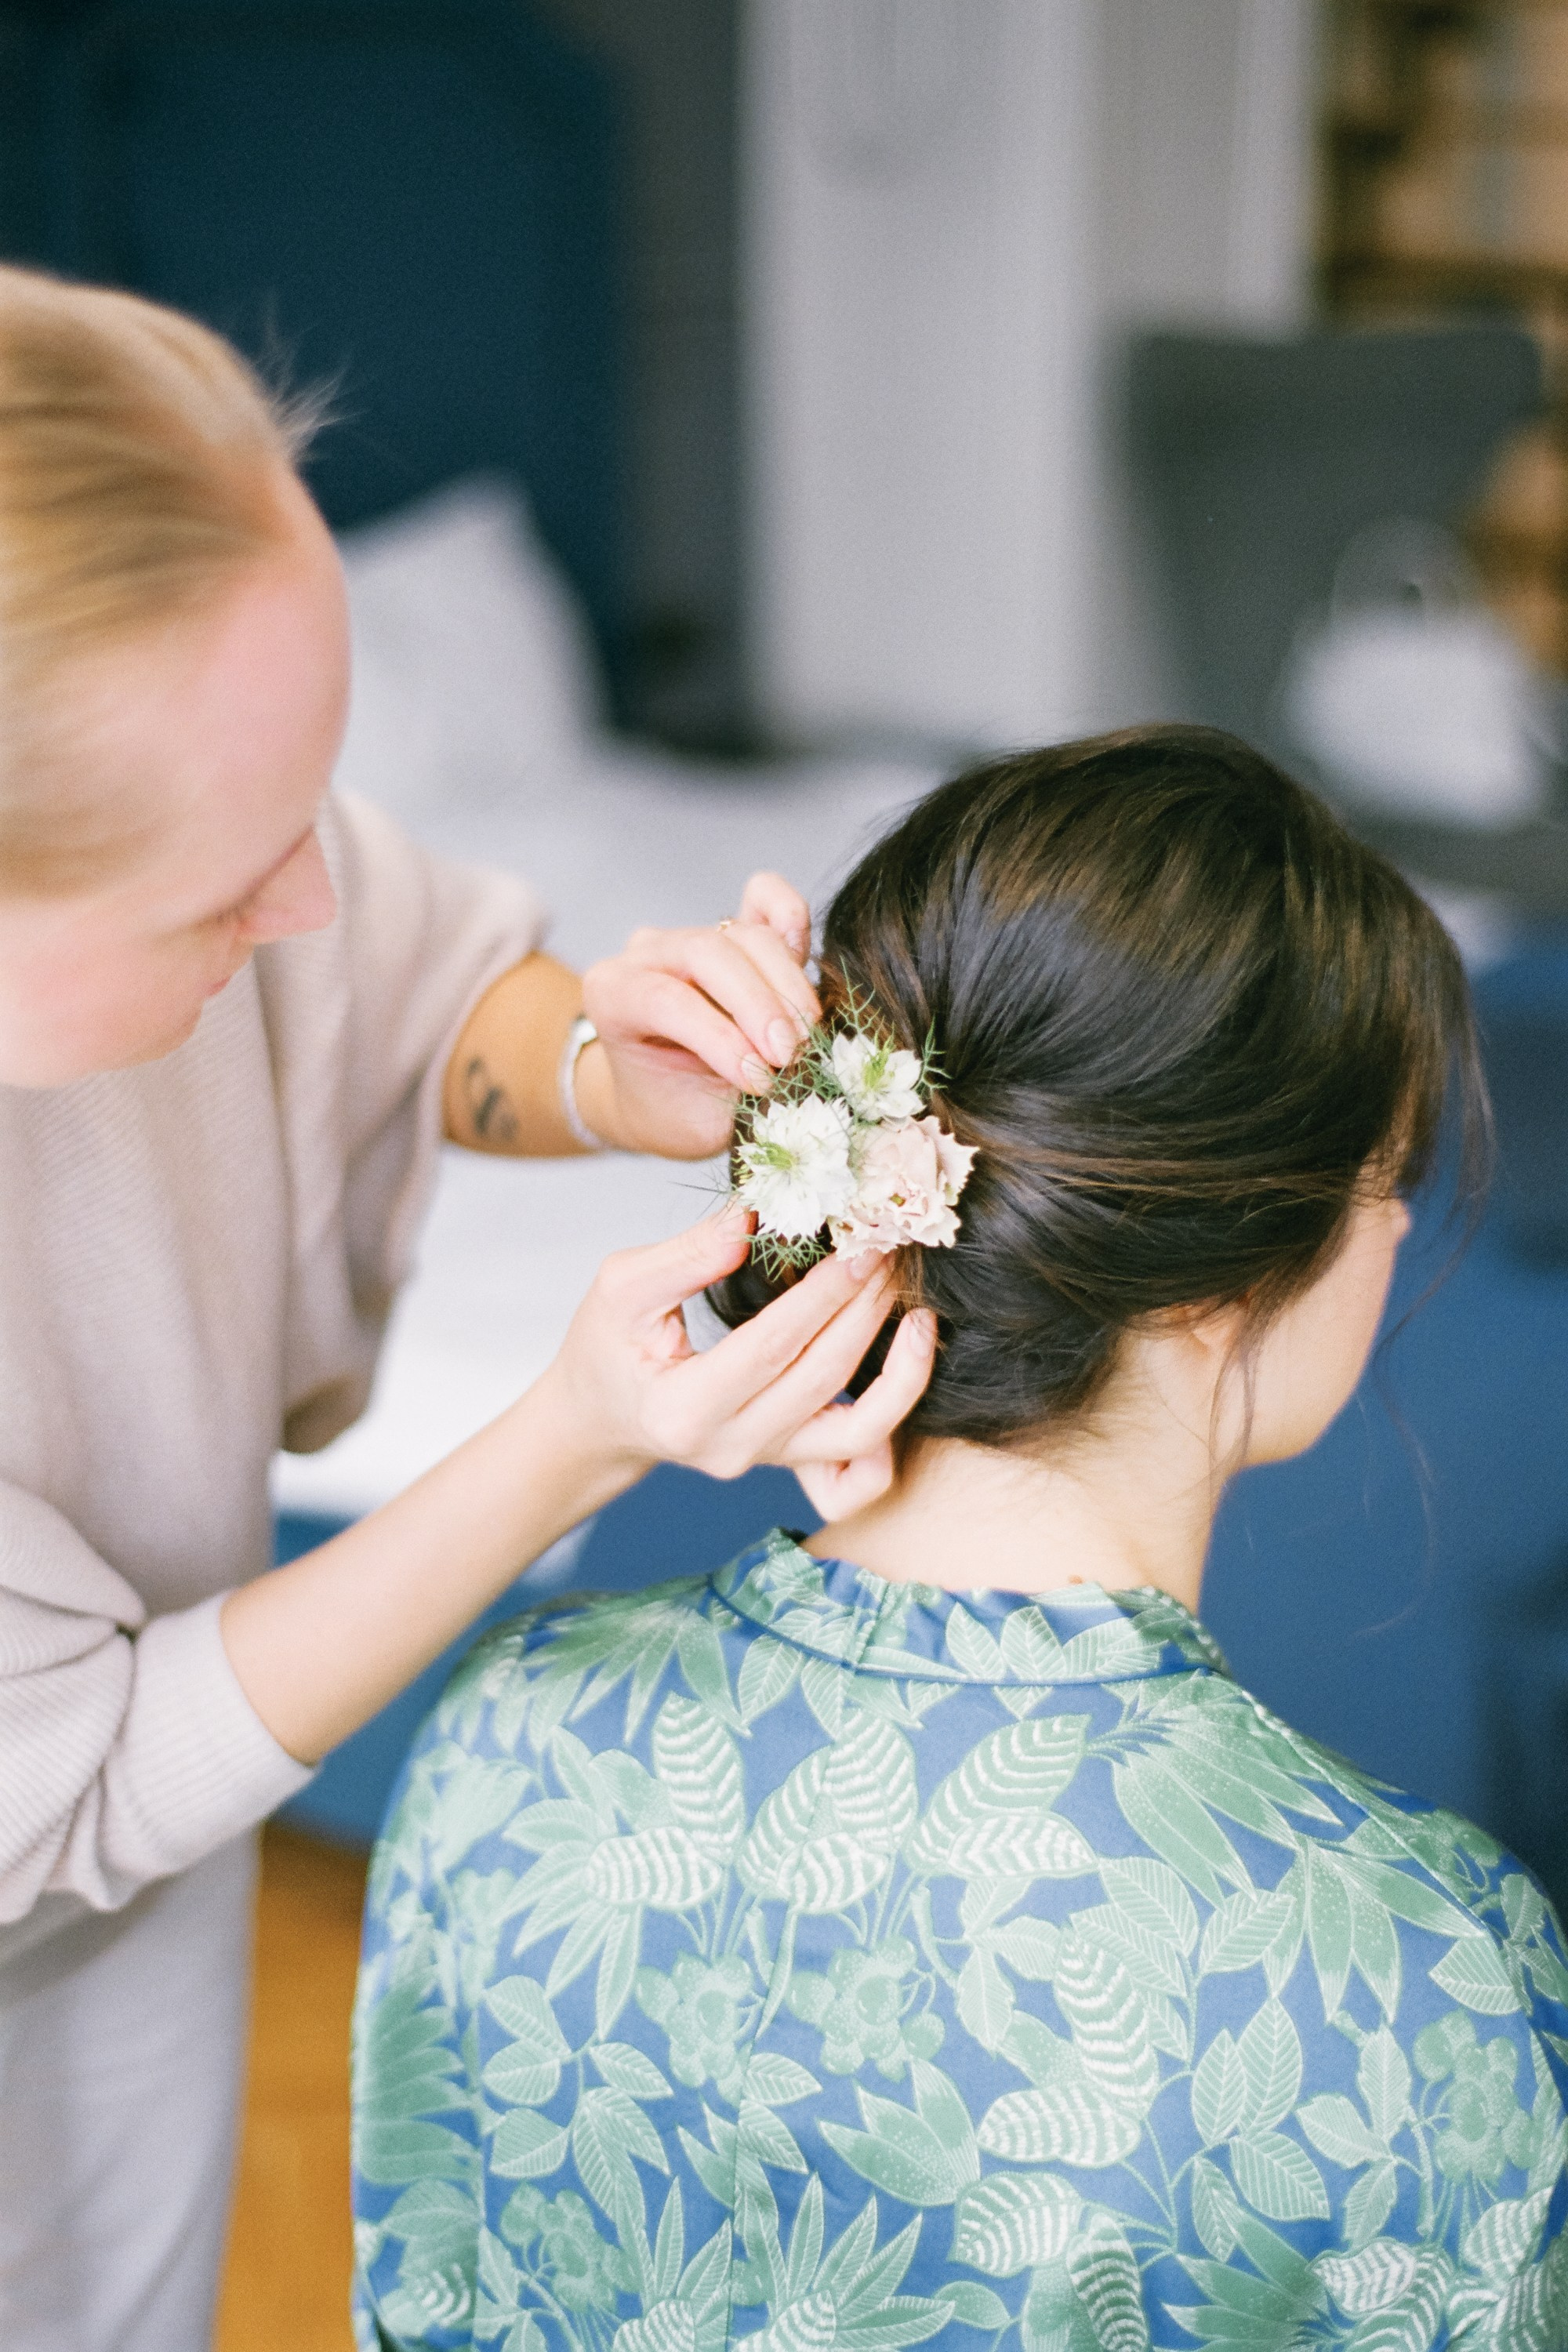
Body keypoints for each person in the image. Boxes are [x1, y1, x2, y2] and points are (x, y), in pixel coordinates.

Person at [354, 726, 1568, 2352]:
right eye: (1383, 1173)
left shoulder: (505, 1734)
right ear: (1215, 1273)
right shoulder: (1416, 1969)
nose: (1402, 1222)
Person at [0, 263, 935, 2352]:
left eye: (313, 809)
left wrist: (603, 1060)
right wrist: (571, 1439)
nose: (308, 901)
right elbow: (92, 1772)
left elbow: (417, 993)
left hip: (130, 1995)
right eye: (226, 879)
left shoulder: (227, 841)